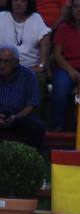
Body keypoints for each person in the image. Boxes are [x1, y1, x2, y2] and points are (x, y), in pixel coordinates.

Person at [0, 45, 44, 150]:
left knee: (37, 126)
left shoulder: (28, 75)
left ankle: (32, 161)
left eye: (6, 62)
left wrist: (15, 117)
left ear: (16, 62)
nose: (2, 65)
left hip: (18, 116)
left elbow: (31, 104)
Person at [0, 0, 50, 74]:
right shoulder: (1, 16)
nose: (18, 3)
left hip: (30, 69)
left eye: (22, 1)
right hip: (3, 68)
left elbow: (45, 43)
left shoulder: (36, 18)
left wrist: (41, 66)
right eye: (15, 0)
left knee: (38, 79)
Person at [50, 0, 80, 131]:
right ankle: (58, 126)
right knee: (60, 92)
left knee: (78, 97)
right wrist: (71, 71)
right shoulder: (63, 27)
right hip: (66, 67)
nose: (79, 9)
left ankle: (77, 129)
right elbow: (57, 54)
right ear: (71, 9)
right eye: (76, 6)